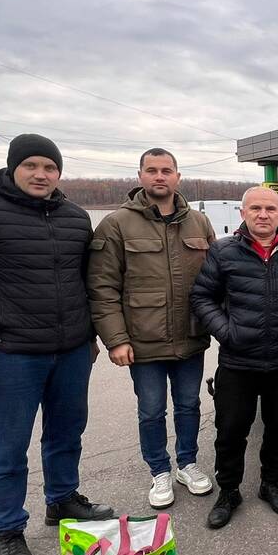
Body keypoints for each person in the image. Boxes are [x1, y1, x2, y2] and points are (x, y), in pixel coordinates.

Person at [0, 134, 113, 555]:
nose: (41, 174)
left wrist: (89, 337)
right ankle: (7, 530)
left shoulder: (74, 217)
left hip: (71, 351)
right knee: (8, 447)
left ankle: (62, 500)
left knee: (67, 433)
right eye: (31, 165)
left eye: (50, 167)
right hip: (9, 352)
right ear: (13, 168)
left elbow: (84, 282)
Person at [87, 148, 216, 508]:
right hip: (143, 341)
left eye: (166, 170)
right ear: (140, 175)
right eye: (152, 170)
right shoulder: (117, 224)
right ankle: (159, 470)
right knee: (151, 410)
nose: (160, 176)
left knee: (189, 405)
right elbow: (102, 286)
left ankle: (187, 464)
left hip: (190, 336)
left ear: (177, 176)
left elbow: (216, 278)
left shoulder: (198, 222)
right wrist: (116, 340)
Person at [190, 187, 278, 529]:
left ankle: (271, 484)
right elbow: (202, 297)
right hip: (238, 362)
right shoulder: (223, 251)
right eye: (255, 208)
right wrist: (227, 331)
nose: (263, 215)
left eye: (270, 209)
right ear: (243, 213)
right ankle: (228, 491)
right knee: (230, 430)